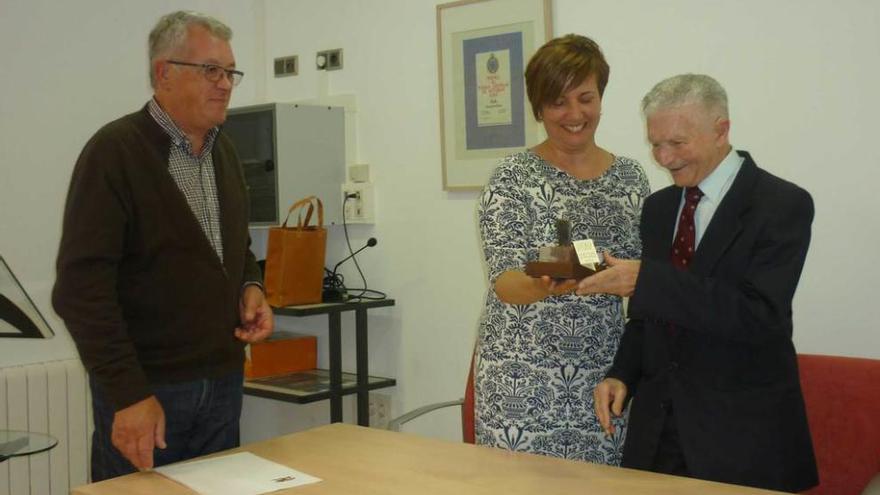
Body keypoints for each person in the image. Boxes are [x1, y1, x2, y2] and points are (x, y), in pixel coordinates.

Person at [52, 11, 273, 481]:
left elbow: (233, 249)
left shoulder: (224, 151)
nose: (226, 84)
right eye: (211, 70)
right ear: (164, 73)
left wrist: (251, 284)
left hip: (222, 386)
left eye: (230, 72)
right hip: (148, 392)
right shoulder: (114, 153)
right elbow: (80, 291)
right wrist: (128, 395)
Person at [579, 74, 818, 491]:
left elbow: (758, 315)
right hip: (658, 436)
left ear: (721, 129)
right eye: (655, 144)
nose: (664, 158)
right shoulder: (658, 208)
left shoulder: (782, 204)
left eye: (677, 143)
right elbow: (649, 316)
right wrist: (622, 374)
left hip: (741, 440)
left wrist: (648, 280)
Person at [475, 34, 649, 464]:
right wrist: (557, 276)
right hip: (521, 380)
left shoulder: (632, 179)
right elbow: (506, 283)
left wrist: (634, 277)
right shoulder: (511, 179)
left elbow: (646, 275)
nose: (575, 114)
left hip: (606, 377)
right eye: (558, 102)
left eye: (585, 98)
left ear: (601, 98)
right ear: (539, 108)